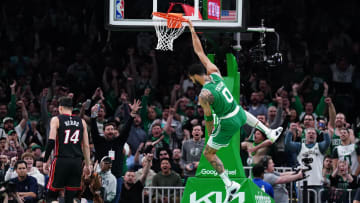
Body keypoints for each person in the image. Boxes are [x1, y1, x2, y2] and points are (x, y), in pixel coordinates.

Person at [187, 21, 283, 203]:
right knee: (239, 110)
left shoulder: (204, 95)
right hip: (238, 113)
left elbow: (208, 118)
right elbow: (200, 53)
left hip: (228, 123)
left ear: (194, 77)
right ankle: (269, 131)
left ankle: (229, 185)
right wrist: (192, 31)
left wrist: (211, 134)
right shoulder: (214, 72)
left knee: (209, 154)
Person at [90, 99, 141, 203]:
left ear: (115, 131)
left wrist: (132, 114)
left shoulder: (119, 142)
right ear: (104, 132)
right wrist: (93, 114)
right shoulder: (99, 142)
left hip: (117, 178)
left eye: (112, 129)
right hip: (101, 178)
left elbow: (126, 129)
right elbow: (94, 129)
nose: (110, 131)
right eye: (108, 129)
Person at [43, 97, 91, 203]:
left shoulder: (56, 119)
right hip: (77, 162)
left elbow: (51, 141)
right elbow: (86, 146)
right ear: (72, 108)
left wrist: (45, 160)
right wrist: (88, 165)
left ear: (60, 108)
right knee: (69, 199)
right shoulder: (82, 122)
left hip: (61, 160)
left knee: (51, 197)